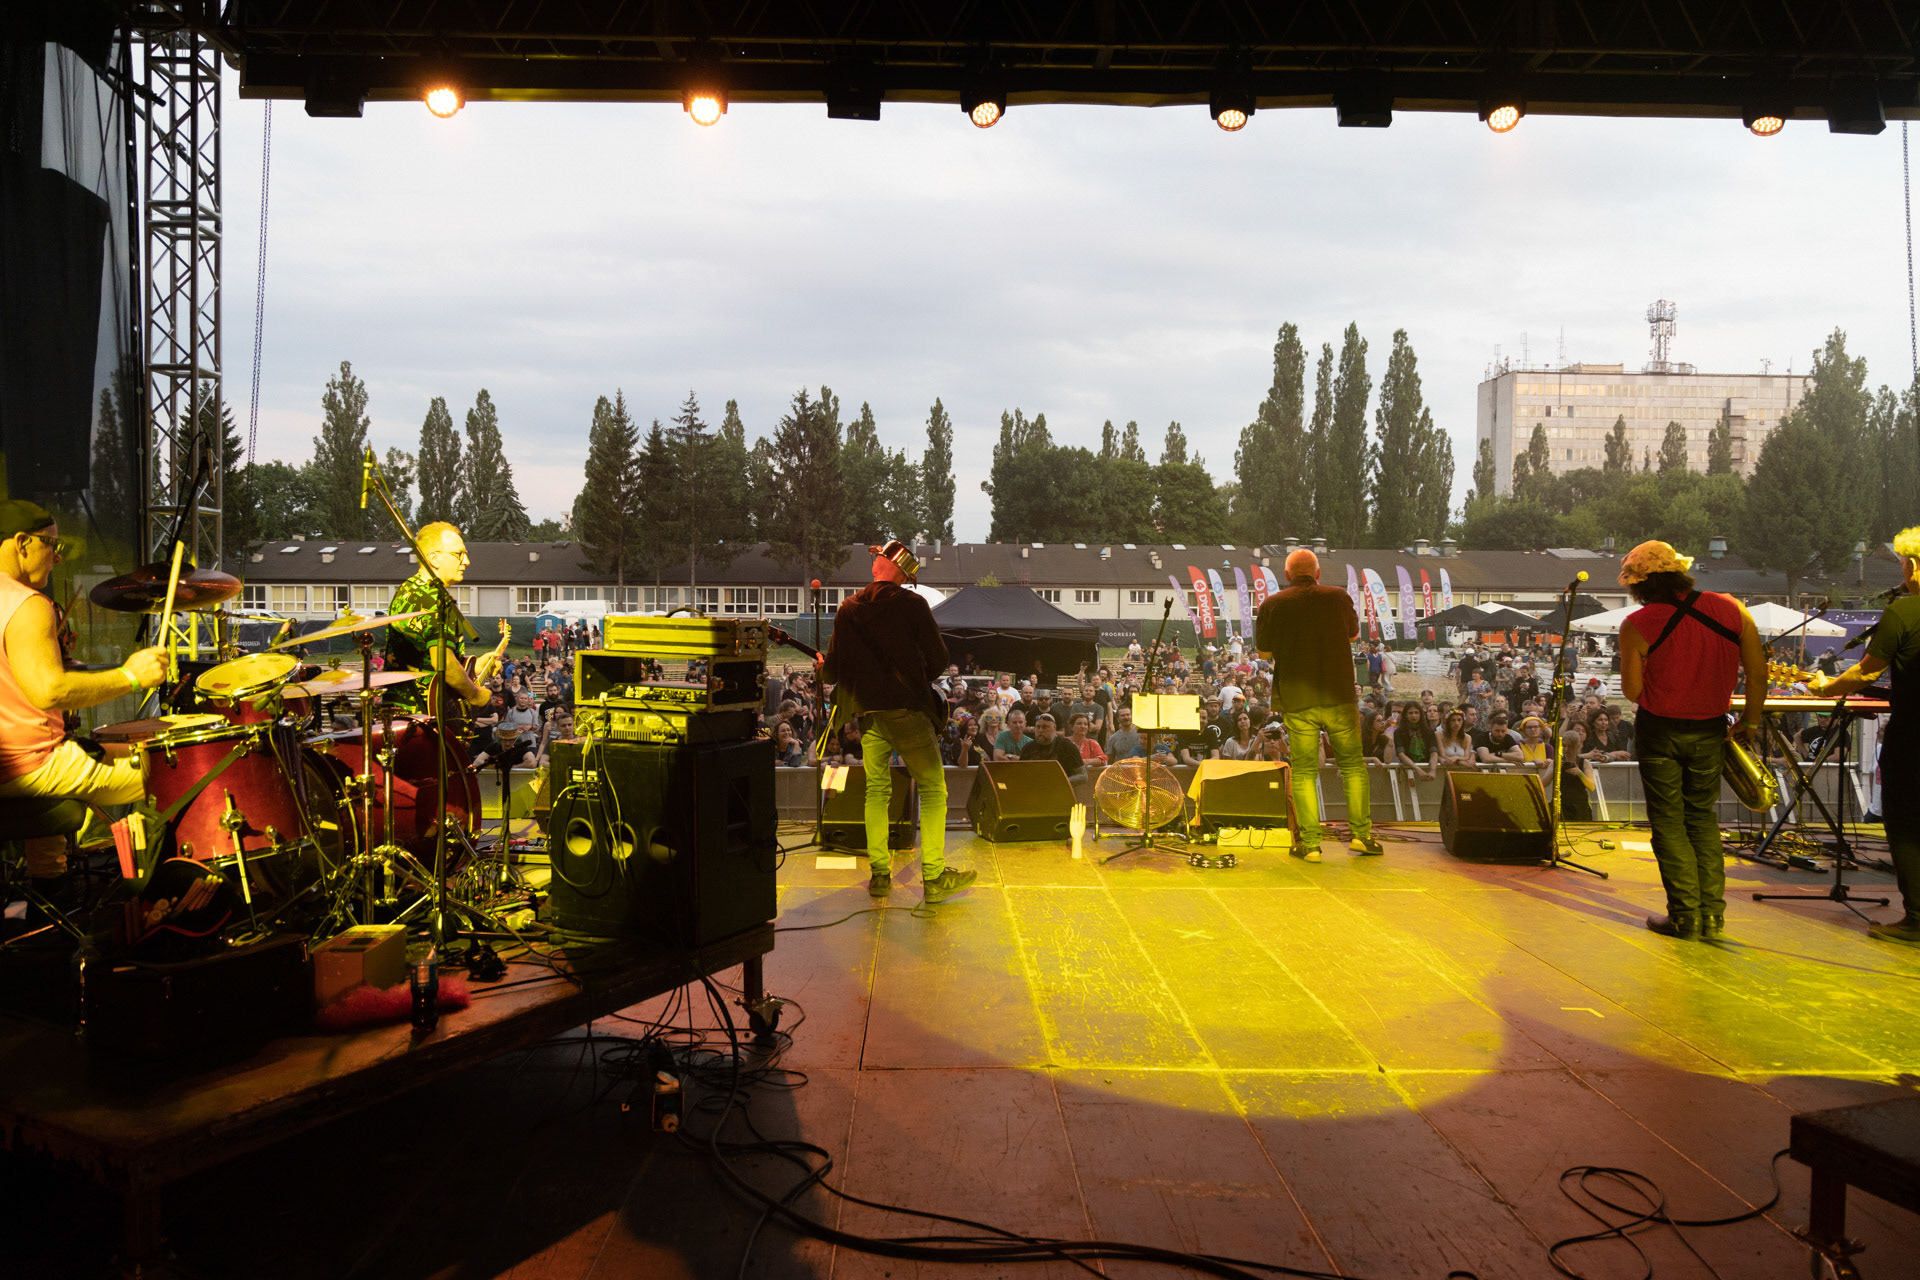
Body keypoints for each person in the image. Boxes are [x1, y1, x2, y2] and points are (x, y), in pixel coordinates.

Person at [0, 501, 169, 895]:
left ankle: (47, 901)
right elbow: (48, 691)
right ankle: (159, 893)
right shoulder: (27, 604)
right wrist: (131, 676)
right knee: (176, 769)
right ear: (22, 543)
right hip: (29, 767)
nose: (57, 557)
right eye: (51, 545)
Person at [1618, 540, 1767, 940]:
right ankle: (1712, 916)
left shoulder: (1637, 624)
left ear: (1640, 584)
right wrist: (1750, 721)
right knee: (1701, 819)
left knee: (1668, 823)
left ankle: (1684, 915)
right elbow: (1758, 672)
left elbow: (1632, 692)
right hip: (1711, 729)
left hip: (1660, 731)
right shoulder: (1732, 609)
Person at [820, 540, 973, 904]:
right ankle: (933, 879)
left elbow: (833, 672)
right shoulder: (913, 605)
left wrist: (823, 669)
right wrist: (914, 673)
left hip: (870, 717)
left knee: (877, 791)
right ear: (902, 573)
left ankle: (879, 876)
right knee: (934, 789)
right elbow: (938, 659)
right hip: (907, 712)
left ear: (878, 566)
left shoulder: (848, 608)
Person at [1810, 525, 1920, 946]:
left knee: (1908, 825)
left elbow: (1866, 671)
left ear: (1911, 566)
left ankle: (1917, 919)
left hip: (1914, 740)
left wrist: (1824, 687)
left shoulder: (1904, 612)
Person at [1254, 548, 1382, 863]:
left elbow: (1264, 654)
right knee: (1352, 765)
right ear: (1318, 573)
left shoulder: (1273, 604)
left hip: (1298, 699)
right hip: (1339, 694)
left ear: (1287, 575)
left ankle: (1309, 845)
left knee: (1304, 771)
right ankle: (1362, 837)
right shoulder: (1338, 597)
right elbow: (1353, 635)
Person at [382, 521, 494, 721]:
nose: (466, 561)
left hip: (399, 714)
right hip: (429, 716)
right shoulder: (437, 599)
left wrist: (474, 668)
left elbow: (423, 661)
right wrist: (476, 695)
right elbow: (443, 663)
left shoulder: (408, 589)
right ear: (434, 558)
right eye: (459, 554)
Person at [1019, 712, 1086, 780]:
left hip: (1060, 789)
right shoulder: (1028, 748)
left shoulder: (1067, 747)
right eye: (1038, 727)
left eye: (1045, 727)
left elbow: (1083, 775)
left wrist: (1062, 782)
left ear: (1054, 727)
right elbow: (1020, 773)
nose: (1040, 730)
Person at [1395, 700, 1440, 783]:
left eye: (1416, 713)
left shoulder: (1429, 732)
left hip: (1427, 770)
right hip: (1407, 770)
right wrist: (1417, 769)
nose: (1414, 716)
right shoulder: (1399, 732)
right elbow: (1401, 754)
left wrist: (1433, 771)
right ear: (1405, 715)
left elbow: (1434, 752)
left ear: (1421, 715)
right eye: (1410, 713)